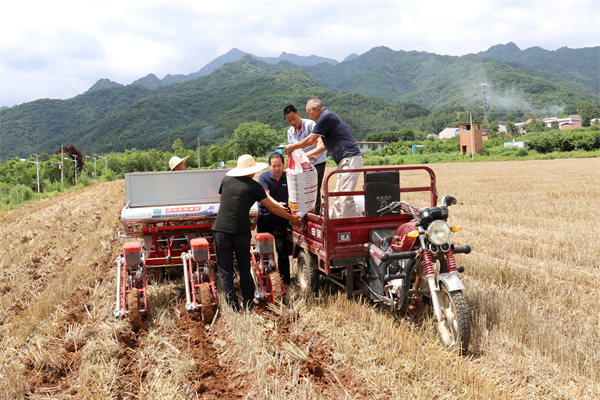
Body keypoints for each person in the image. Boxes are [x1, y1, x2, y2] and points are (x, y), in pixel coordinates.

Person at [212, 154, 300, 311]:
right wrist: (291, 218)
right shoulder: (254, 186)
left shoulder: (226, 180)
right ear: (252, 171)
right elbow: (272, 207)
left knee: (225, 270)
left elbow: (221, 200)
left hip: (220, 230)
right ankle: (247, 302)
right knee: (244, 266)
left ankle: (233, 306)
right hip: (240, 231)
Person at [285, 98, 363, 218]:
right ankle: (336, 225)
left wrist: (293, 147)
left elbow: (311, 140)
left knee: (345, 197)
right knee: (337, 196)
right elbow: (322, 147)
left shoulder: (326, 117)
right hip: (343, 160)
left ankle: (351, 227)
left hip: (350, 158)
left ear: (315, 110)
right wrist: (303, 157)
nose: (310, 117)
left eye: (310, 113)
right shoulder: (325, 119)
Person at [284, 104, 327, 214]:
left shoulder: (310, 124)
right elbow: (293, 151)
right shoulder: (290, 132)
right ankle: (303, 212)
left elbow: (320, 139)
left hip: (317, 162)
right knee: (302, 189)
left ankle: (315, 214)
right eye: (289, 121)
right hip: (302, 165)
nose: (293, 122)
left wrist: (315, 152)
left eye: (294, 118)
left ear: (298, 114)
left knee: (314, 189)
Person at [257, 153, 291, 285]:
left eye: (279, 165)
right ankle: (265, 279)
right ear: (270, 166)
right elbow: (266, 196)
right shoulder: (263, 177)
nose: (277, 168)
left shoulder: (288, 176)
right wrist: (277, 204)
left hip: (281, 218)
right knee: (265, 251)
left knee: (281, 249)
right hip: (264, 217)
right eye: (274, 166)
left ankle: (285, 280)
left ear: (283, 165)